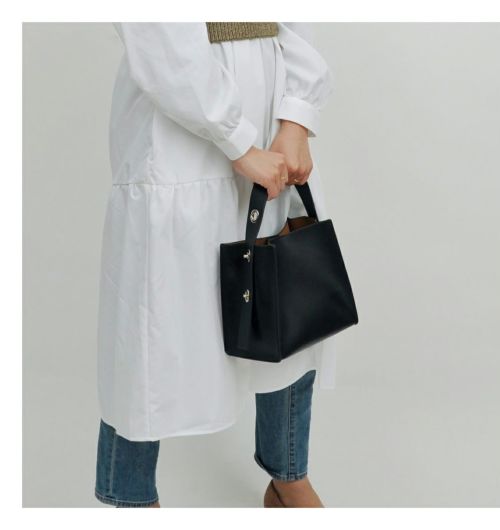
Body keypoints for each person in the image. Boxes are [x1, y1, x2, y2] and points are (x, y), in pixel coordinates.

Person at [94, 22, 336, 508]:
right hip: (176, 118)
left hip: (271, 103)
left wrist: (296, 117)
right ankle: (131, 499)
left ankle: (287, 476)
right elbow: (154, 29)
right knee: (150, 324)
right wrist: (236, 140)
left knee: (286, 293)